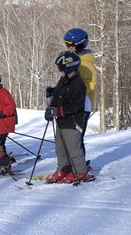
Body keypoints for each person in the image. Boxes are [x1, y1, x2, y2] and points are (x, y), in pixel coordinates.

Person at [44, 51, 94, 184]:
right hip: (61, 121)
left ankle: (81, 172)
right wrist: (51, 104)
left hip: (72, 122)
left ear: (68, 66)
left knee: (73, 148)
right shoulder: (64, 80)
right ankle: (63, 169)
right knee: (60, 148)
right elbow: (59, 96)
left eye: (61, 67)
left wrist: (58, 110)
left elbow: (75, 106)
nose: (60, 71)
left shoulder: (79, 85)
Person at [63, 28, 96, 156]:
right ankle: (73, 165)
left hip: (83, 104)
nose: (68, 47)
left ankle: (80, 167)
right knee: (71, 138)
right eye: (66, 44)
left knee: (77, 138)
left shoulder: (86, 63)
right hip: (74, 104)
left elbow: (91, 84)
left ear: (80, 44)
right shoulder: (75, 60)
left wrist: (74, 93)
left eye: (70, 44)